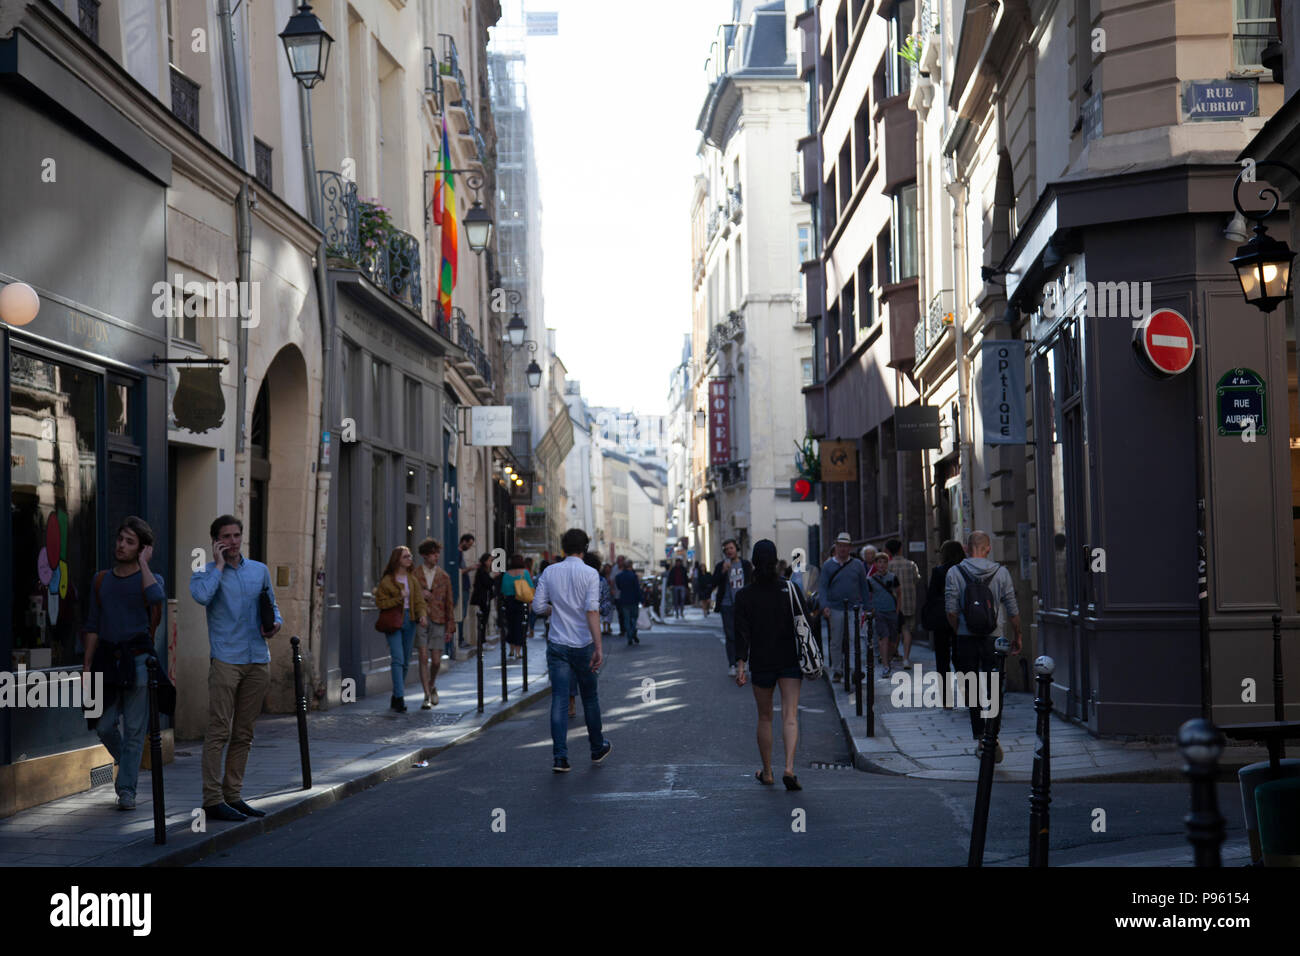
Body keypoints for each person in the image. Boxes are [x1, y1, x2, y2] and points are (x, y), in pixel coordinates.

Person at [190, 514, 281, 822]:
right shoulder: (203, 573)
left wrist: (276, 624)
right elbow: (202, 597)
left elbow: (272, 605)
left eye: (236, 535)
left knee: (244, 732)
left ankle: (234, 794)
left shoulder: (259, 571)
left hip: (258, 658)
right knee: (219, 730)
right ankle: (212, 799)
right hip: (226, 660)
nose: (232, 541)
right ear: (215, 541)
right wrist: (217, 565)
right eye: (225, 536)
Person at [83, 516, 165, 810]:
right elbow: (92, 624)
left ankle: (126, 789)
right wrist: (87, 665)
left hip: (139, 661)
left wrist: (144, 564)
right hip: (106, 661)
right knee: (103, 725)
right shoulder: (101, 579)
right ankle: (129, 767)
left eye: (130, 542)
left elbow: (157, 598)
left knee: (134, 730)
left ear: (142, 548)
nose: (121, 545)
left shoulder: (150, 580)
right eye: (120, 539)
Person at [531, 528, 612, 773]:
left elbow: (537, 607)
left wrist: (554, 611)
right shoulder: (590, 574)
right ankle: (597, 747)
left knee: (559, 699)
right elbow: (592, 610)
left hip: (557, 643)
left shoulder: (550, 571)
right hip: (583, 643)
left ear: (563, 548)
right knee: (590, 698)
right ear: (584, 548)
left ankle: (560, 757)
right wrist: (598, 646)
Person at [735, 539, 811, 791]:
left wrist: (741, 664)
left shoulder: (745, 595)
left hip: (762, 661)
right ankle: (789, 768)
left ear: (753, 562)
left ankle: (767, 771)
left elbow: (741, 633)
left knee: (765, 717)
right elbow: (805, 623)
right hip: (789, 659)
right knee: (790, 715)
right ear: (776, 559)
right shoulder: (789, 589)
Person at [945, 530, 1022, 763]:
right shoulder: (1001, 572)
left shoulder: (954, 572)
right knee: (995, 688)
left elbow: (950, 610)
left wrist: (961, 630)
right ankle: (993, 735)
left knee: (971, 688)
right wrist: (1017, 635)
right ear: (988, 548)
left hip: (966, 639)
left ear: (967, 548)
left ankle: (980, 737)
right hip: (994, 639)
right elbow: (1012, 608)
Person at [374, 546, 429, 713]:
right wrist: (399, 598)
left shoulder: (412, 580)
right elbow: (381, 603)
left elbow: (419, 601)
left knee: (405, 661)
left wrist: (422, 615)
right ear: (397, 559)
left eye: (410, 556)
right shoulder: (387, 581)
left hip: (410, 620)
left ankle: (396, 694)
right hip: (393, 621)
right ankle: (399, 697)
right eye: (406, 556)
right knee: (397, 659)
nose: (410, 559)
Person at [819, 533, 870, 680]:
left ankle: (855, 669)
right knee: (836, 640)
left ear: (850, 548)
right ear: (836, 547)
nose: (842, 549)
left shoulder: (857, 565)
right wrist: (824, 606)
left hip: (854, 608)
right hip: (835, 607)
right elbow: (822, 587)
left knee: (856, 639)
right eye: (840, 546)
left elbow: (864, 587)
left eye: (845, 546)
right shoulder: (828, 566)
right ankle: (837, 670)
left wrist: (867, 607)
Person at [921, 539, 966, 708]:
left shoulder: (939, 571)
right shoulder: (965, 570)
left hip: (942, 620)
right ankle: (966, 693)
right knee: (962, 658)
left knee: (942, 659)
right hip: (961, 618)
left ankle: (946, 699)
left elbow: (931, 596)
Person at [414, 538, 454, 708]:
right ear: (424, 555)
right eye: (432, 554)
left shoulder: (443, 576)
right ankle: (426, 695)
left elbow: (449, 602)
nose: (436, 556)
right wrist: (420, 594)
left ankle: (431, 685)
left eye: (437, 553)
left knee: (436, 661)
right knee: (423, 657)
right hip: (421, 619)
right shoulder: (415, 575)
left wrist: (450, 626)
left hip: (438, 619)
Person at [712, 539, 753, 677]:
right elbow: (714, 583)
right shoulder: (721, 566)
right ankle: (732, 664)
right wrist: (723, 571)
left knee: (744, 634)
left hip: (743, 605)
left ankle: (743, 661)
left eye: (731, 548)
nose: (729, 551)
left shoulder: (745, 565)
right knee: (730, 636)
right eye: (727, 549)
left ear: (737, 549)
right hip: (727, 605)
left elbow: (751, 582)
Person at [885, 538, 921, 668]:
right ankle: (906, 658)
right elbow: (917, 579)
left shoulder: (888, 566)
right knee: (907, 631)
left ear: (888, 551)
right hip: (909, 603)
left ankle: (890, 657)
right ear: (900, 549)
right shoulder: (911, 564)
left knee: (893, 631)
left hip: (892, 604)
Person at [866, 552, 900, 675]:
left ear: (887, 564)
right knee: (883, 637)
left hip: (891, 611)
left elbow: (899, 593)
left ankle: (888, 660)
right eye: (879, 562)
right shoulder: (870, 580)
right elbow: (868, 596)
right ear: (875, 564)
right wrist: (871, 609)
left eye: (884, 562)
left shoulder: (893, 577)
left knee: (893, 641)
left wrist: (897, 610)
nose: (881, 565)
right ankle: (885, 665)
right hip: (879, 612)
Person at [500, 554, 534, 661]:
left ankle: (511, 650)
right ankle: (518, 652)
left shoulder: (506, 574)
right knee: (521, 627)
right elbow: (531, 587)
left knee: (511, 626)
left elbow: (504, 590)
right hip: (521, 602)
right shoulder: (525, 573)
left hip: (509, 603)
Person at [470, 552, 495, 649]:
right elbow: (487, 583)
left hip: (485, 599)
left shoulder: (484, 571)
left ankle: (483, 640)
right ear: (484, 561)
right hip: (482, 600)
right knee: (483, 620)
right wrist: (494, 577)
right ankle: (482, 641)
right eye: (489, 560)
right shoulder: (482, 571)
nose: (490, 562)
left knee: (484, 620)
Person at [456, 533, 476, 651]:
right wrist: (470, 568)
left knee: (462, 614)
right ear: (463, 541)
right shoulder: (457, 553)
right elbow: (459, 571)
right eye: (469, 544)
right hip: (462, 587)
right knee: (461, 614)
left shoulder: (460, 554)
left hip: (464, 587)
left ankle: (461, 639)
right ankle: (460, 639)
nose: (469, 547)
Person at [614, 561, 641, 646]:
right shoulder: (634, 576)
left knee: (626, 619)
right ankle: (632, 633)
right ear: (631, 566)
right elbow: (637, 589)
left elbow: (619, 587)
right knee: (634, 618)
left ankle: (630, 635)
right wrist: (641, 600)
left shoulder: (618, 576)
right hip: (633, 599)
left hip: (624, 599)